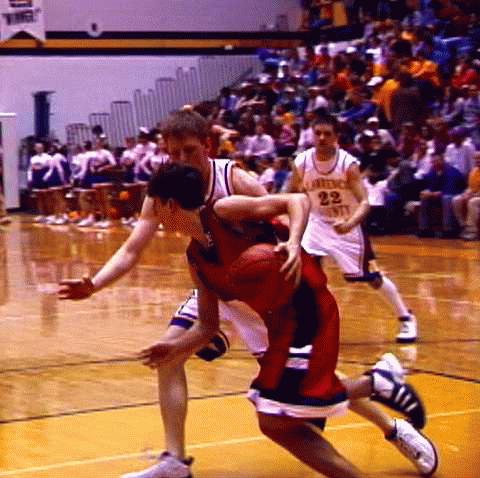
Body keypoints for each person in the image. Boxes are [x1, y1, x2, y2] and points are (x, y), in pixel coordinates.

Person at [59, 110, 436, 478]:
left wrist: (291, 251)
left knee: (307, 382)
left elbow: (287, 214)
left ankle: (392, 426)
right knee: (171, 354)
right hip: (217, 281)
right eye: (173, 153)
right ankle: (175, 461)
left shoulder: (233, 181)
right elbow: (132, 248)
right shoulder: (167, 191)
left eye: (189, 150)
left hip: (262, 288)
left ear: (207, 145)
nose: (181, 159)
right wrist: (95, 284)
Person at [135, 162, 437, 478]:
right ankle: (375, 386)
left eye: (155, 206)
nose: (154, 216)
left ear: (170, 204)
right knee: (275, 421)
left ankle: (374, 384)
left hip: (306, 305)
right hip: (278, 323)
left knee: (280, 409)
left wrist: (293, 241)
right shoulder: (195, 257)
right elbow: (207, 325)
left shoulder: (224, 211)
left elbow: (297, 200)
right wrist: (174, 348)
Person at [289, 113, 418, 343]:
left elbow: (365, 202)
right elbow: (291, 195)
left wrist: (349, 223)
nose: (321, 138)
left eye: (327, 134)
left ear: (336, 137)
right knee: (306, 274)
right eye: (317, 133)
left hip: (347, 224)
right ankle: (310, 326)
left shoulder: (347, 164)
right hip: (317, 224)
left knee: (370, 277)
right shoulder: (302, 162)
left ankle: (406, 317)